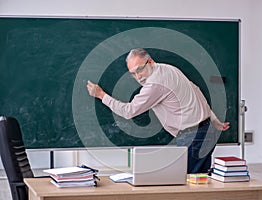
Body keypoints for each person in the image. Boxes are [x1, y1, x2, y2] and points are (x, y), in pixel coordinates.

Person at [87, 48, 230, 173]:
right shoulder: (169, 68)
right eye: (133, 73)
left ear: (150, 61)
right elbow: (196, 90)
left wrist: (101, 95)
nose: (138, 77)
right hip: (207, 131)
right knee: (201, 185)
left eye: (139, 70)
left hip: (193, 137)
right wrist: (214, 120)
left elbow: (129, 111)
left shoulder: (155, 85)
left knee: (188, 189)